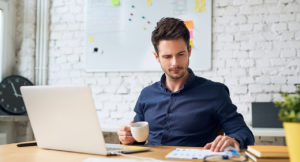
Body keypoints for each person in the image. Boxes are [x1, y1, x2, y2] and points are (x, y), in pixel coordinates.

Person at [118, 17, 254, 152]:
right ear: (157, 57)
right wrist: (128, 137)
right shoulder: (147, 94)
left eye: (181, 54)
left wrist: (234, 139)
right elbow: (136, 139)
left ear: (189, 51)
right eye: (167, 57)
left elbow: (243, 133)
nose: (175, 63)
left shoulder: (215, 92)